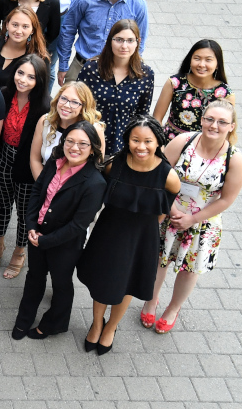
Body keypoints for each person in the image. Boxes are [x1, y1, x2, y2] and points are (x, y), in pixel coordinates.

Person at [76, 116, 180, 355]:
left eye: (147, 141)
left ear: (158, 143)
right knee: (104, 280)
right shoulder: (116, 165)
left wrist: (153, 223)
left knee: (127, 284)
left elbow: (167, 202)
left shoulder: (168, 175)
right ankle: (96, 323)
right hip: (109, 231)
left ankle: (111, 327)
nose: (140, 146)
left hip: (142, 238)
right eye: (135, 140)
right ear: (127, 140)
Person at [144, 100, 242, 334]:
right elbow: (158, 173)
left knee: (189, 269)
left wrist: (192, 219)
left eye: (222, 122)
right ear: (202, 119)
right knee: (158, 260)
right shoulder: (183, 141)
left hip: (202, 223)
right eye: (210, 119)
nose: (214, 125)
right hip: (169, 212)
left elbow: (226, 199)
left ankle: (173, 309)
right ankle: (151, 299)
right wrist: (171, 209)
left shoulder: (234, 158)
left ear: (231, 127)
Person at [11, 121, 106, 340]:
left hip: (65, 244)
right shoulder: (55, 161)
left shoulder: (95, 182)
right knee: (34, 276)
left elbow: (78, 225)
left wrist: (44, 241)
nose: (75, 148)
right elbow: (37, 193)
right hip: (38, 235)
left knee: (61, 283)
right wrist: (32, 226)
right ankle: (24, 318)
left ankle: (54, 323)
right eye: (70, 141)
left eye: (83, 144)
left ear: (92, 148)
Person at [0, 55, 50, 279]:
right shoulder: (4, 94)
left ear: (39, 80)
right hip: (4, 158)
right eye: (20, 73)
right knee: (3, 204)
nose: (23, 79)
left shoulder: (44, 106)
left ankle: (19, 252)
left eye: (31, 76)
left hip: (27, 165)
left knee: (24, 213)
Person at [57, 0, 149, 83]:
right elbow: (68, 31)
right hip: (81, 67)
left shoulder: (138, 6)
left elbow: (141, 41)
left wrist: (131, 69)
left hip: (117, 71)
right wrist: (63, 66)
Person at [78, 19, 155, 155]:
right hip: (89, 140)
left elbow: (142, 114)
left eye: (130, 40)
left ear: (138, 42)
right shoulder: (91, 69)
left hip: (122, 145)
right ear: (110, 40)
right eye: (119, 40)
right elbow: (79, 105)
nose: (124, 46)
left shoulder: (146, 75)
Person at [152, 39, 234, 140]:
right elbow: (157, 118)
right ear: (190, 60)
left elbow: (226, 129)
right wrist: (159, 145)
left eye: (208, 60)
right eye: (197, 58)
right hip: (170, 142)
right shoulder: (175, 83)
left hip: (204, 147)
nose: (201, 64)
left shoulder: (225, 93)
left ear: (217, 64)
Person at [28, 83, 106, 179]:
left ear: (84, 106)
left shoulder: (95, 129)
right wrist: (43, 188)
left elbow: (96, 167)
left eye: (74, 102)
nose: (66, 105)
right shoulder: (45, 121)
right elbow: (35, 159)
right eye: (64, 98)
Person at [0, 6, 50, 90]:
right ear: (7, 25)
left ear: (32, 30)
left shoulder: (40, 57)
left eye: (25, 27)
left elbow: (41, 91)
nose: (18, 31)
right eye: (15, 25)